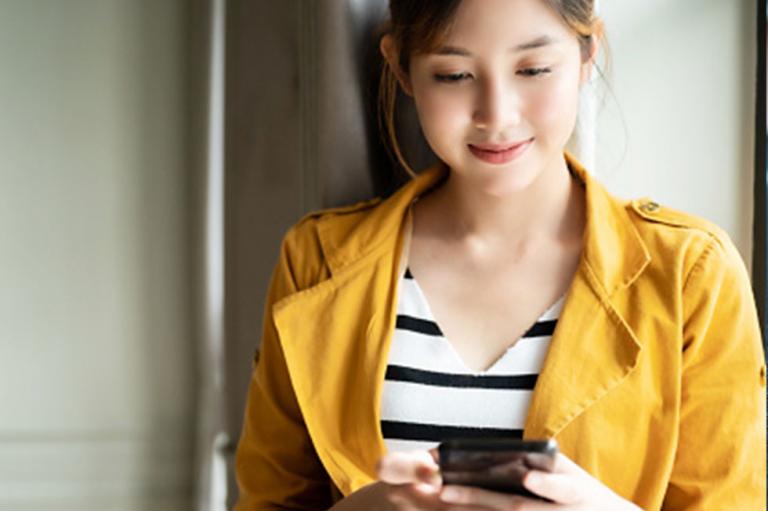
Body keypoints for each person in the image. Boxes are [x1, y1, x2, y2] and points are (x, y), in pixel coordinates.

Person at [233, 0, 767, 509]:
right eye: (454, 75)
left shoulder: (690, 275)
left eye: (533, 69)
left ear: (587, 54)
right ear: (400, 69)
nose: (496, 113)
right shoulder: (318, 262)